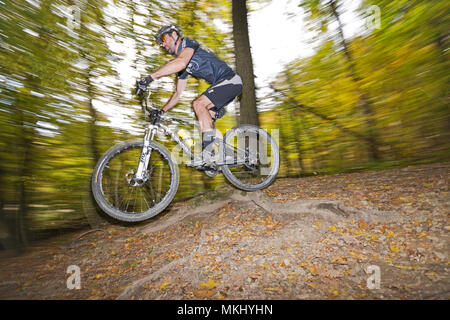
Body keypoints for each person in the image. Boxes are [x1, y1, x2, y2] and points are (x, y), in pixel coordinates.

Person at [137, 25, 242, 168]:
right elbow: (178, 94)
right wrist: (162, 111)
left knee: (198, 104)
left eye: (163, 39)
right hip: (224, 86)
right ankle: (228, 154)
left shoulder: (188, 45)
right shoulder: (183, 67)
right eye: (161, 43)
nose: (163, 44)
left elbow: (180, 62)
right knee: (207, 120)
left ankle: (207, 154)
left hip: (231, 80)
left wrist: (150, 78)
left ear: (174, 35)